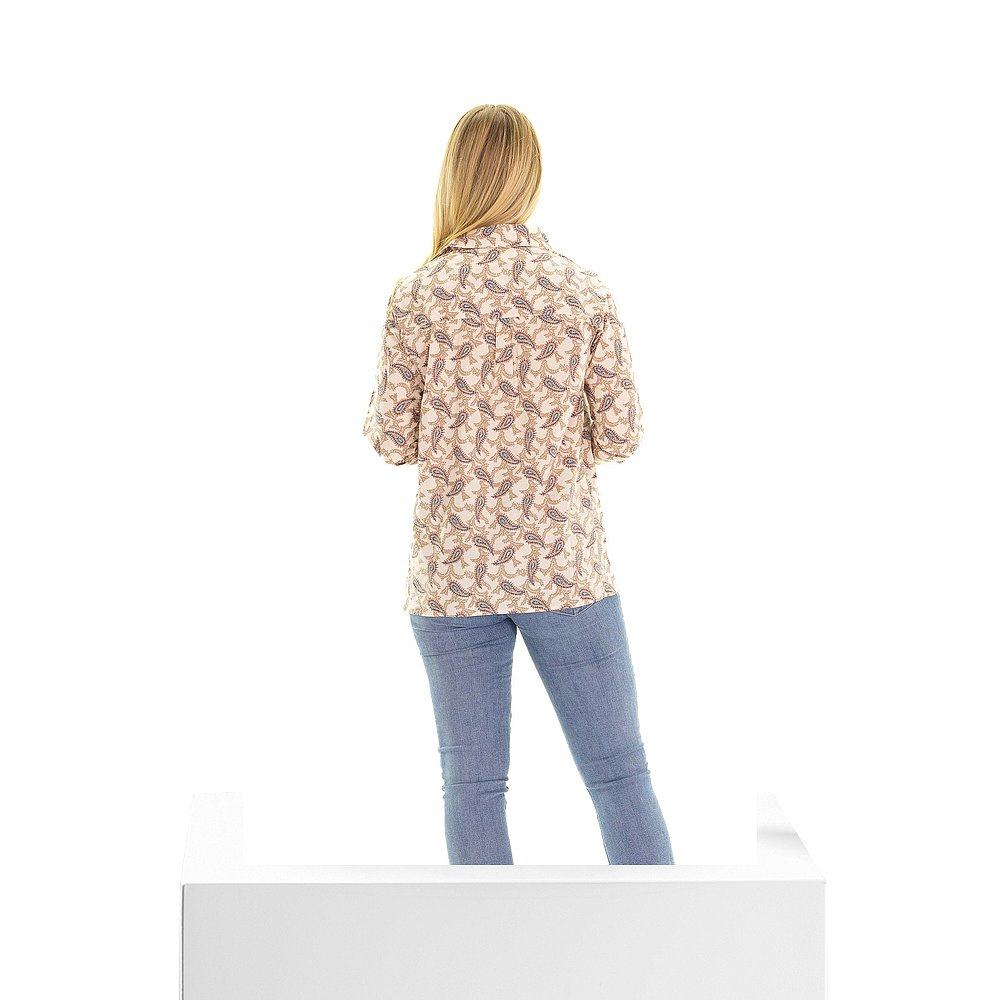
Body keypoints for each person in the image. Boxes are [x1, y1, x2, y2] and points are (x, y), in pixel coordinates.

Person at [364, 104, 672, 865]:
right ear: (530, 177)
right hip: (565, 569)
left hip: (453, 576)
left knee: (472, 787)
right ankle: (666, 935)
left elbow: (392, 439)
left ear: (456, 177)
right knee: (619, 776)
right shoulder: (581, 291)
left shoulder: (420, 294)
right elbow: (622, 435)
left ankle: (484, 945)